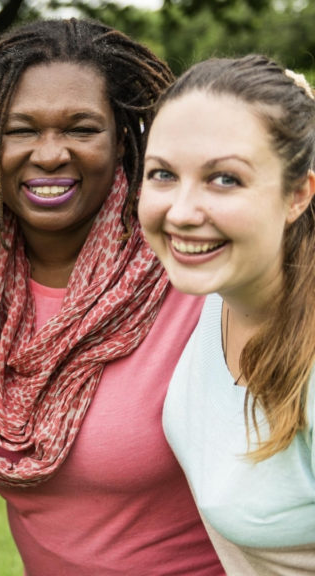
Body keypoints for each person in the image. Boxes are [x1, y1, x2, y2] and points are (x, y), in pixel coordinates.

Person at [0, 18, 224, 574]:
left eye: (81, 128)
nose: (50, 155)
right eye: (20, 130)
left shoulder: (192, 276)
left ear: (123, 137)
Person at [139, 54, 315, 574]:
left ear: (298, 194)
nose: (183, 212)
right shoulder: (216, 294)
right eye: (163, 174)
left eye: (225, 180)